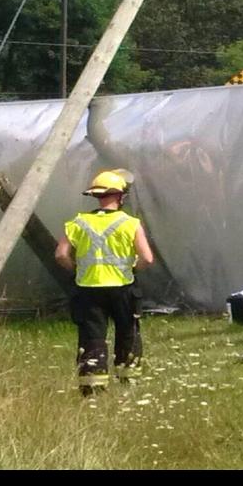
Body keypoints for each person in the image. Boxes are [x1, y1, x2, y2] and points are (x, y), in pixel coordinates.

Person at [54, 169, 155, 396]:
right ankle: (129, 383)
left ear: (96, 195)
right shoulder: (130, 223)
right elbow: (147, 258)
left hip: (89, 290)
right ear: (120, 196)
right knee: (128, 333)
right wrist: (131, 269)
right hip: (123, 289)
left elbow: (61, 254)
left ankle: (92, 388)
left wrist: (77, 271)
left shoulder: (77, 223)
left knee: (92, 337)